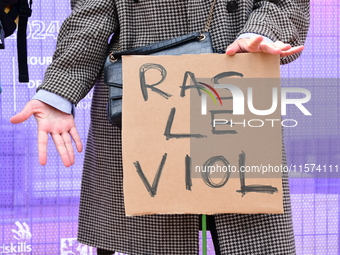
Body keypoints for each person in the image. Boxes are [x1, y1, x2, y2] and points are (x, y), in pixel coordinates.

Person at [10, 0, 310, 254]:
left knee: (251, 234)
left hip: (234, 80)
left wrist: (261, 30)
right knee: (152, 235)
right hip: (144, 100)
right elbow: (94, 11)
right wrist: (58, 92)